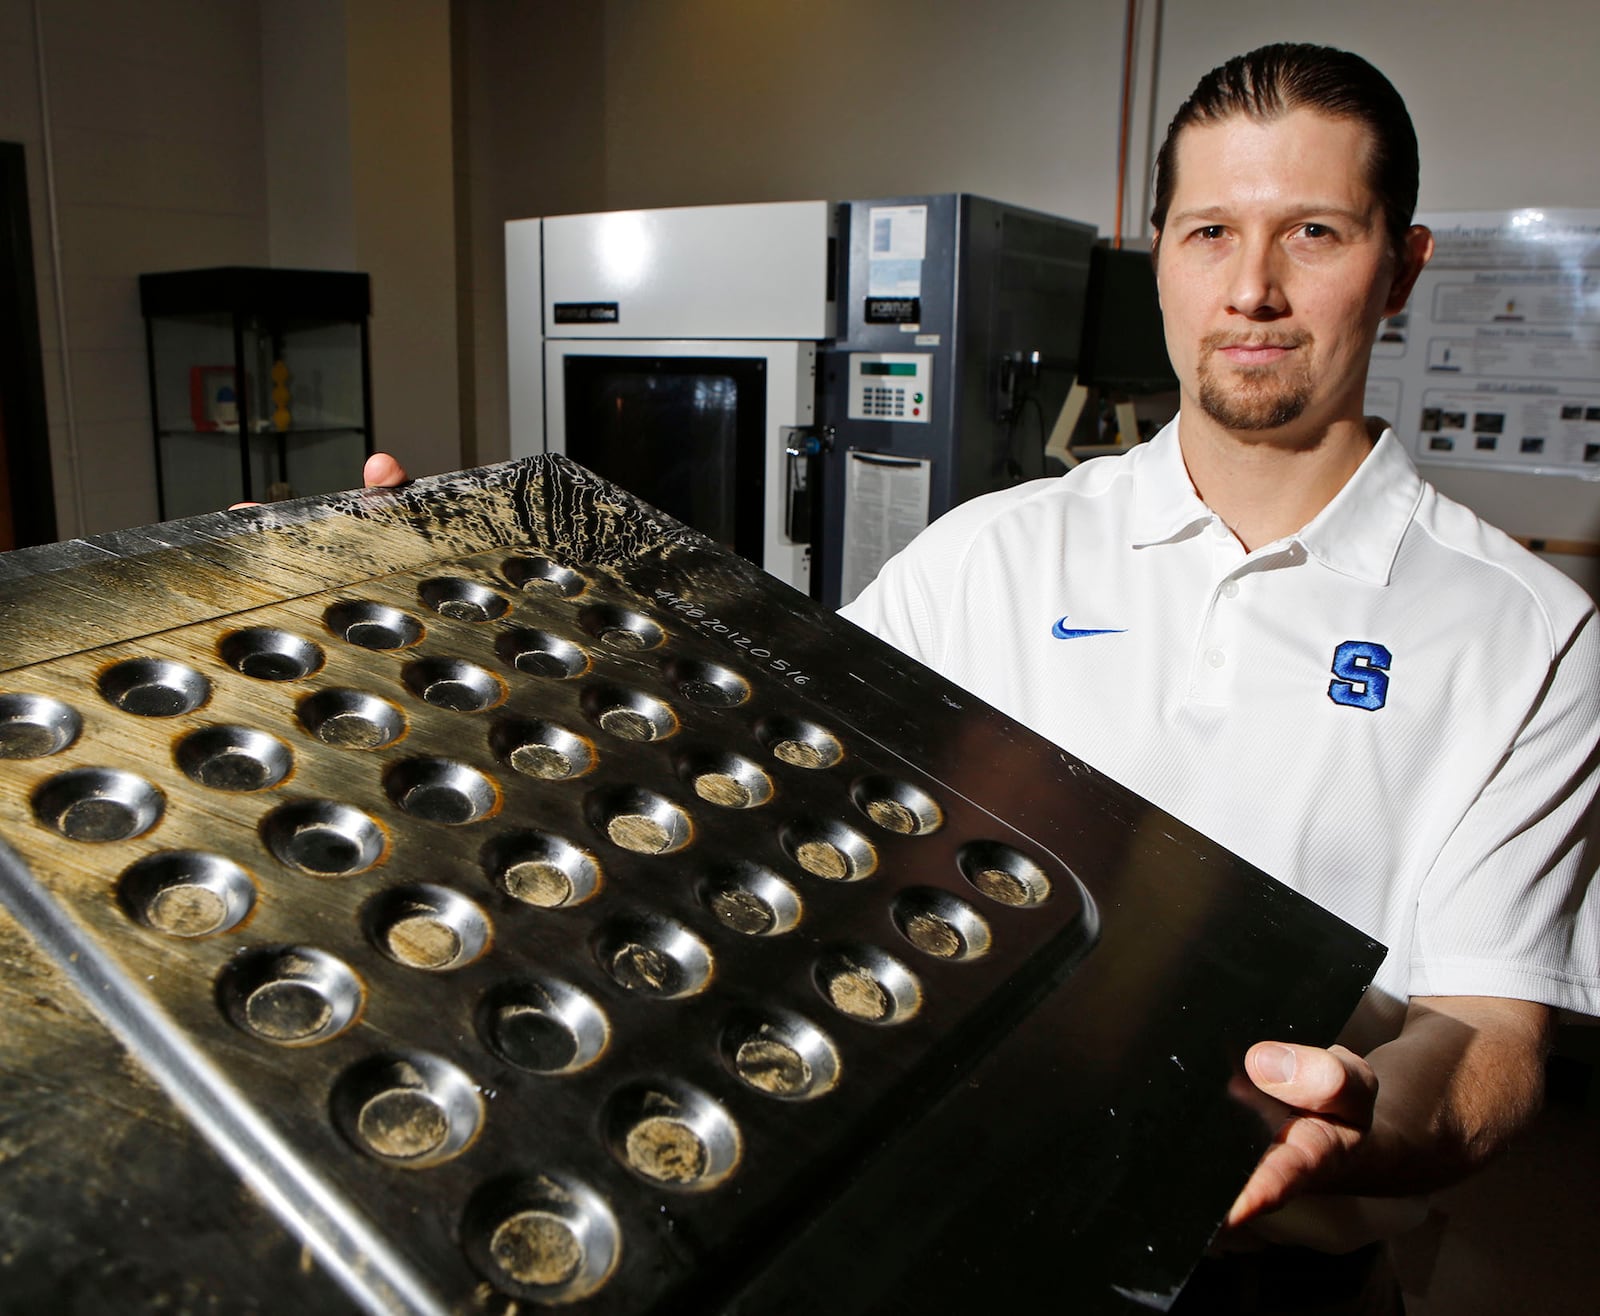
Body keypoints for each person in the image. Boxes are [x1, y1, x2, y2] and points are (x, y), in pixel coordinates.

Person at [362, 44, 1598, 1311]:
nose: (1253, 288)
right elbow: (725, 751)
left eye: (1316, 233)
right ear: (1157, 254)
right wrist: (444, 631)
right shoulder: (988, 555)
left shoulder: (1525, 634)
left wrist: (1357, 1119)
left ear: (1401, 265)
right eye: (1210, 231)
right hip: (954, 1229)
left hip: (1266, 1278)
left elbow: (1490, 1031)